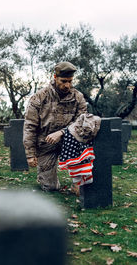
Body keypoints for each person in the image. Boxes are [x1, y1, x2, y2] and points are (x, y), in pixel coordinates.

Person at [23, 61, 87, 191]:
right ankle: (47, 177)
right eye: (63, 81)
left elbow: (81, 122)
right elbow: (30, 126)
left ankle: (78, 181)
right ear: (55, 78)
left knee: (89, 130)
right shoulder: (39, 97)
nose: (67, 85)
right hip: (46, 144)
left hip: (70, 141)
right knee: (50, 187)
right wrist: (30, 154)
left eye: (70, 81)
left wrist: (62, 132)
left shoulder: (78, 97)